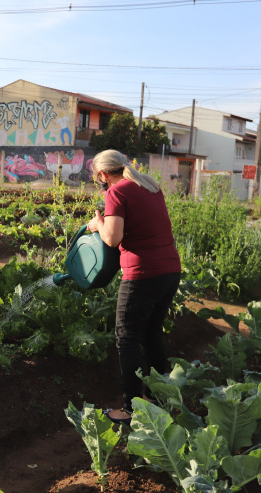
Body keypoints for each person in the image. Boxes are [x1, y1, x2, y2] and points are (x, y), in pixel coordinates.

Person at [86, 150, 181, 424]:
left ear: (104, 174)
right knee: (151, 333)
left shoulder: (116, 193)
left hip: (143, 273)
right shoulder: (149, 185)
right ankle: (155, 399)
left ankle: (130, 410)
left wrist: (98, 223)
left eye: (98, 177)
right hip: (169, 270)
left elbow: (113, 238)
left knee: (127, 338)